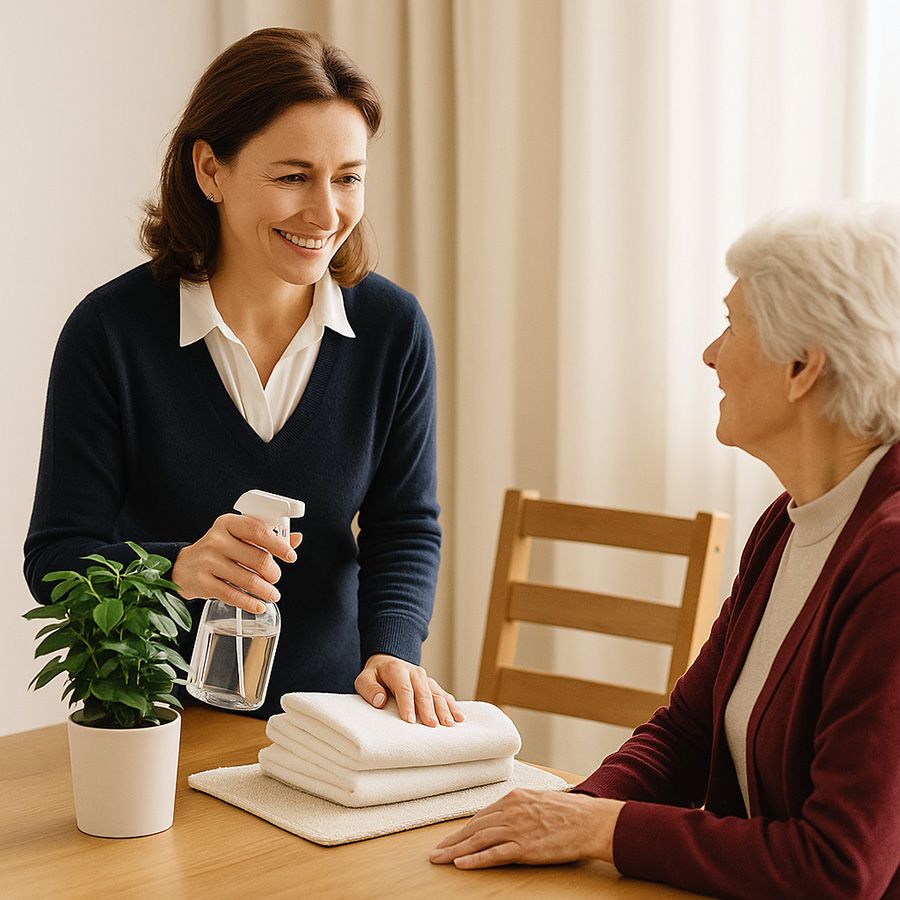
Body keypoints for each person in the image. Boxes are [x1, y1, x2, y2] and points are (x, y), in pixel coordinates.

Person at [431, 203, 900, 899]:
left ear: (803, 367)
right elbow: (688, 730)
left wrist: (599, 830)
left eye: (732, 324)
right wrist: (567, 813)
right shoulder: (786, 524)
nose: (711, 352)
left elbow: (839, 866)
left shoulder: (888, 563)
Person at [24, 27, 462, 728]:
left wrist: (393, 649)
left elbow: (404, 525)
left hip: (329, 726)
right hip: (152, 727)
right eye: (293, 177)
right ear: (210, 170)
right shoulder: (109, 334)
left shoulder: (393, 330)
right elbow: (53, 558)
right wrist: (178, 568)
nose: (327, 214)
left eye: (348, 177)